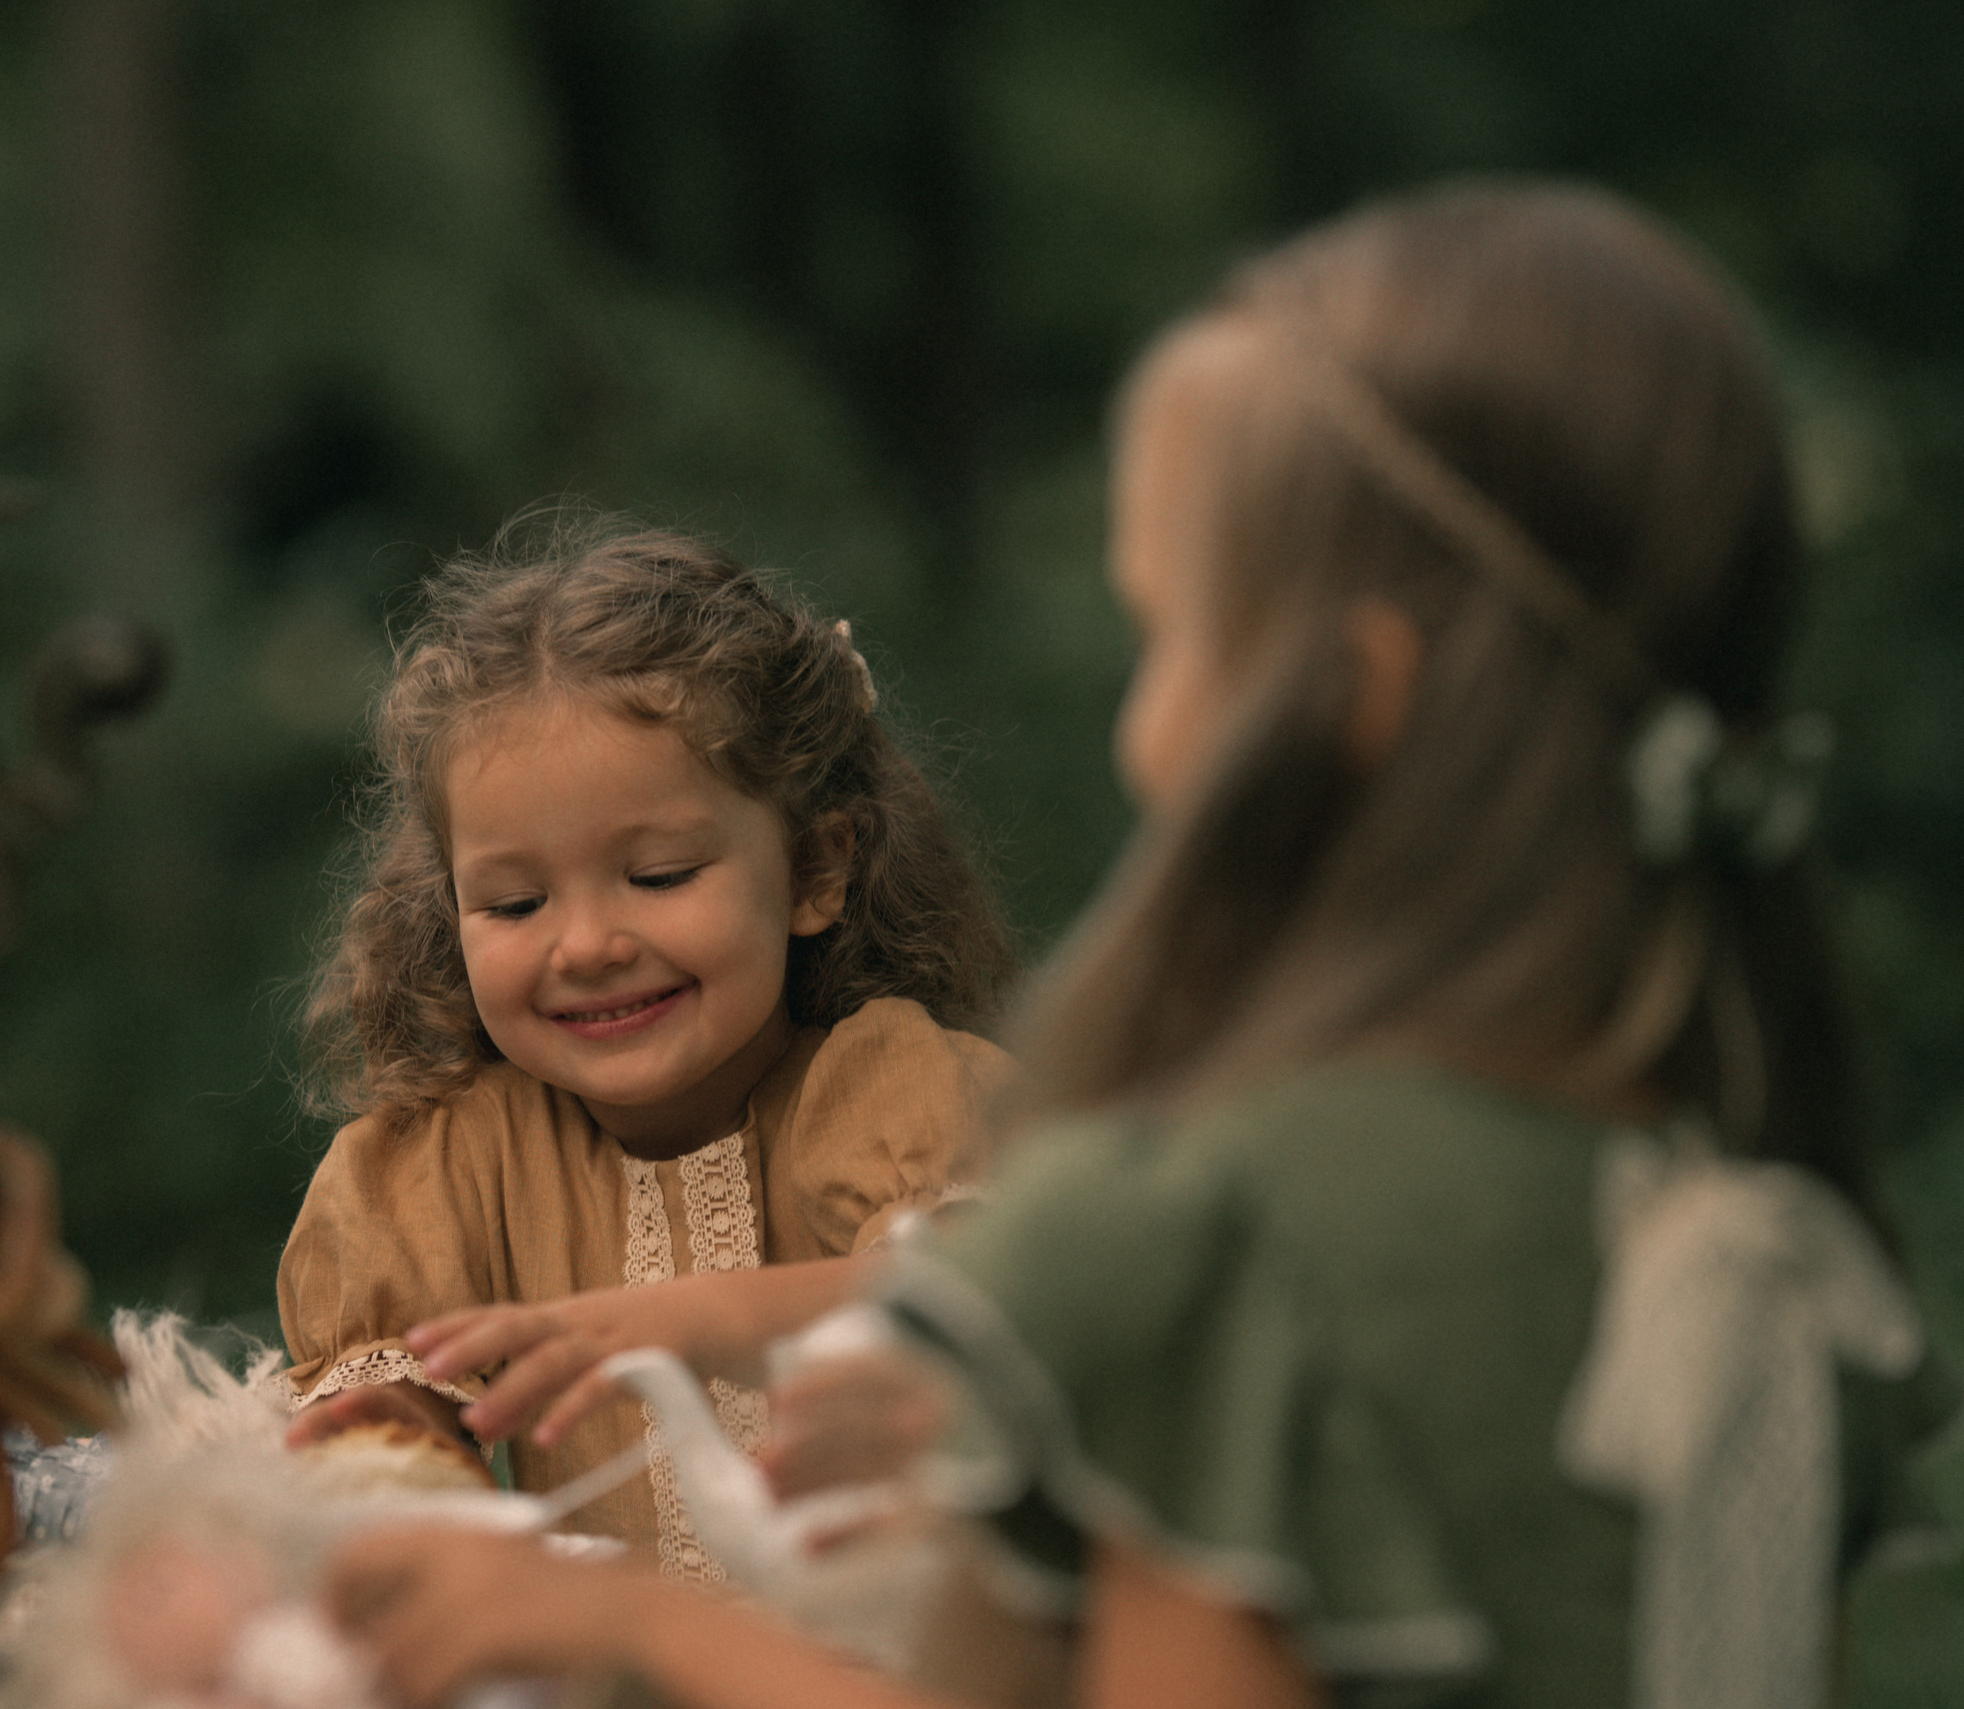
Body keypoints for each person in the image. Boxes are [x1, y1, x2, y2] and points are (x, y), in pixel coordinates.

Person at [319, 180, 1959, 1709]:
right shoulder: (1776, 1241)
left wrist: (628, 1626)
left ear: (1353, 700)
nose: (1140, 717)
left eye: (1170, 631)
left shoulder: (1203, 1240)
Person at [277, 516, 1017, 1574]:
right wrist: (384, 1442)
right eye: (515, 902)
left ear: (814, 868)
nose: (585, 945)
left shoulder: (888, 1088)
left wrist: (694, 1320)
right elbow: (381, 1443)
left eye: (660, 875)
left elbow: (978, 1303)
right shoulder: (439, 1163)